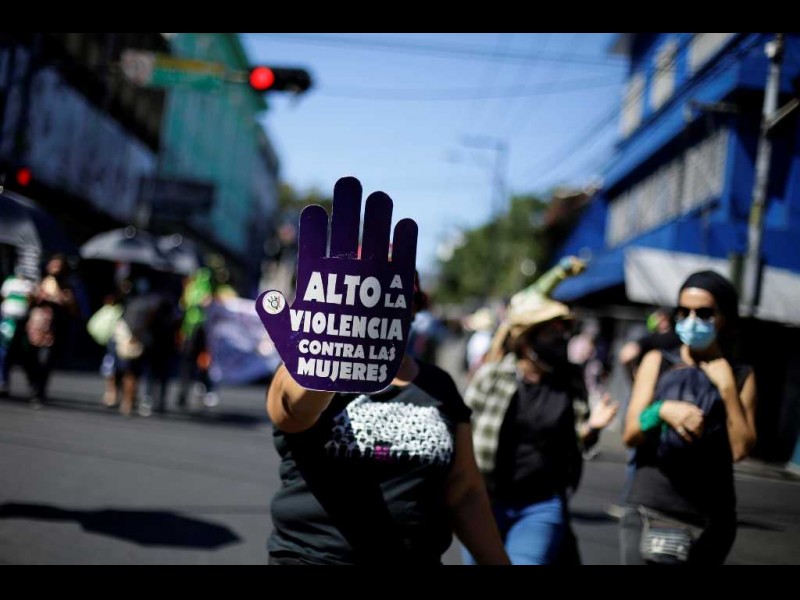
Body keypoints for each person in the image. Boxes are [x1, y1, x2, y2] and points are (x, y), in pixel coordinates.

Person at [265, 277, 510, 566]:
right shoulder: (305, 372)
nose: (377, 307)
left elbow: (464, 492)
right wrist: (338, 343)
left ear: (415, 307)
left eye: (391, 297)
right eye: (365, 295)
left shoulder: (439, 386)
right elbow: (297, 409)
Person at [463, 260, 619, 565]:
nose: (560, 338)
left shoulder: (570, 382)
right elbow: (462, 432)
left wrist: (593, 427)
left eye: (563, 330)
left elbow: (576, 440)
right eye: (551, 332)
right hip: (484, 503)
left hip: (541, 504)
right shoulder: (492, 376)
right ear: (527, 341)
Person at [619, 270, 757, 565]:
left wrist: (727, 389)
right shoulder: (657, 361)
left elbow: (740, 449)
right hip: (650, 508)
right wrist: (661, 410)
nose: (692, 320)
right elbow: (630, 434)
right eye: (684, 311)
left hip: (710, 520)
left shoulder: (740, 375)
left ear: (724, 318)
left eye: (704, 313)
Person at [24, 255, 78, 406]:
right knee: (31, 359)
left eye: (58, 266)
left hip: (53, 330)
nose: (55, 269)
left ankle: (39, 391)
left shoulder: (66, 287)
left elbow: (73, 309)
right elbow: (31, 301)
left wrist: (61, 299)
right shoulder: (42, 283)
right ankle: (34, 384)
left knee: (46, 361)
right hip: (36, 327)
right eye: (53, 266)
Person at [618, 307, 680, 380]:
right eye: (659, 317)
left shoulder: (677, 335)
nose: (661, 319)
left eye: (663, 317)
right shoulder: (648, 339)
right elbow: (626, 356)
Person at [0, 269, 35, 397]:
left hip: (22, 323)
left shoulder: (29, 284)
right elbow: (4, 296)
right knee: (4, 351)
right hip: (8, 321)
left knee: (24, 354)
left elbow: (31, 300)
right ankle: (3, 381)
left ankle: (33, 383)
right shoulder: (9, 282)